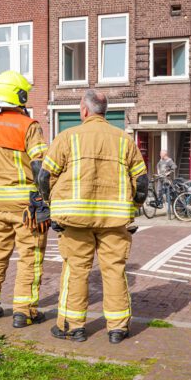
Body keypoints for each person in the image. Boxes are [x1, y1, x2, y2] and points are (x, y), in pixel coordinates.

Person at [37, 90, 148, 344]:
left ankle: (72, 327)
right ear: (104, 111)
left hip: (75, 221)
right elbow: (142, 182)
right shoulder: (124, 140)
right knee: (114, 271)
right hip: (115, 221)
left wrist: (51, 205)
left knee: (76, 271)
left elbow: (44, 177)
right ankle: (118, 329)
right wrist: (132, 208)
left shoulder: (67, 137)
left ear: (84, 110)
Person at [0, 70, 50, 328]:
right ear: (21, 96)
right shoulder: (29, 126)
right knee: (30, 257)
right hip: (26, 206)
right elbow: (39, 167)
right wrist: (44, 199)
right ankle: (24, 312)